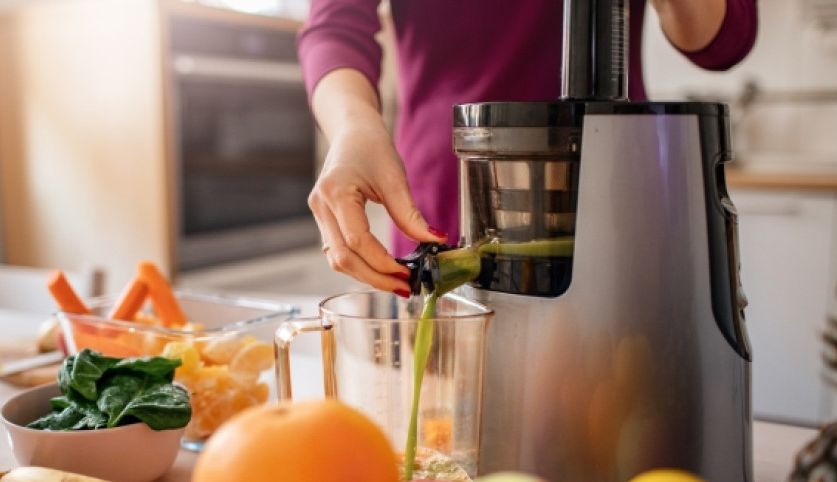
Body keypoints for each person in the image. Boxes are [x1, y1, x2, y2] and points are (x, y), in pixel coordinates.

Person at [298, 0, 758, 297]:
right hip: (449, 208)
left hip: (612, 206)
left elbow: (722, 40)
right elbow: (335, 26)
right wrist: (352, 127)